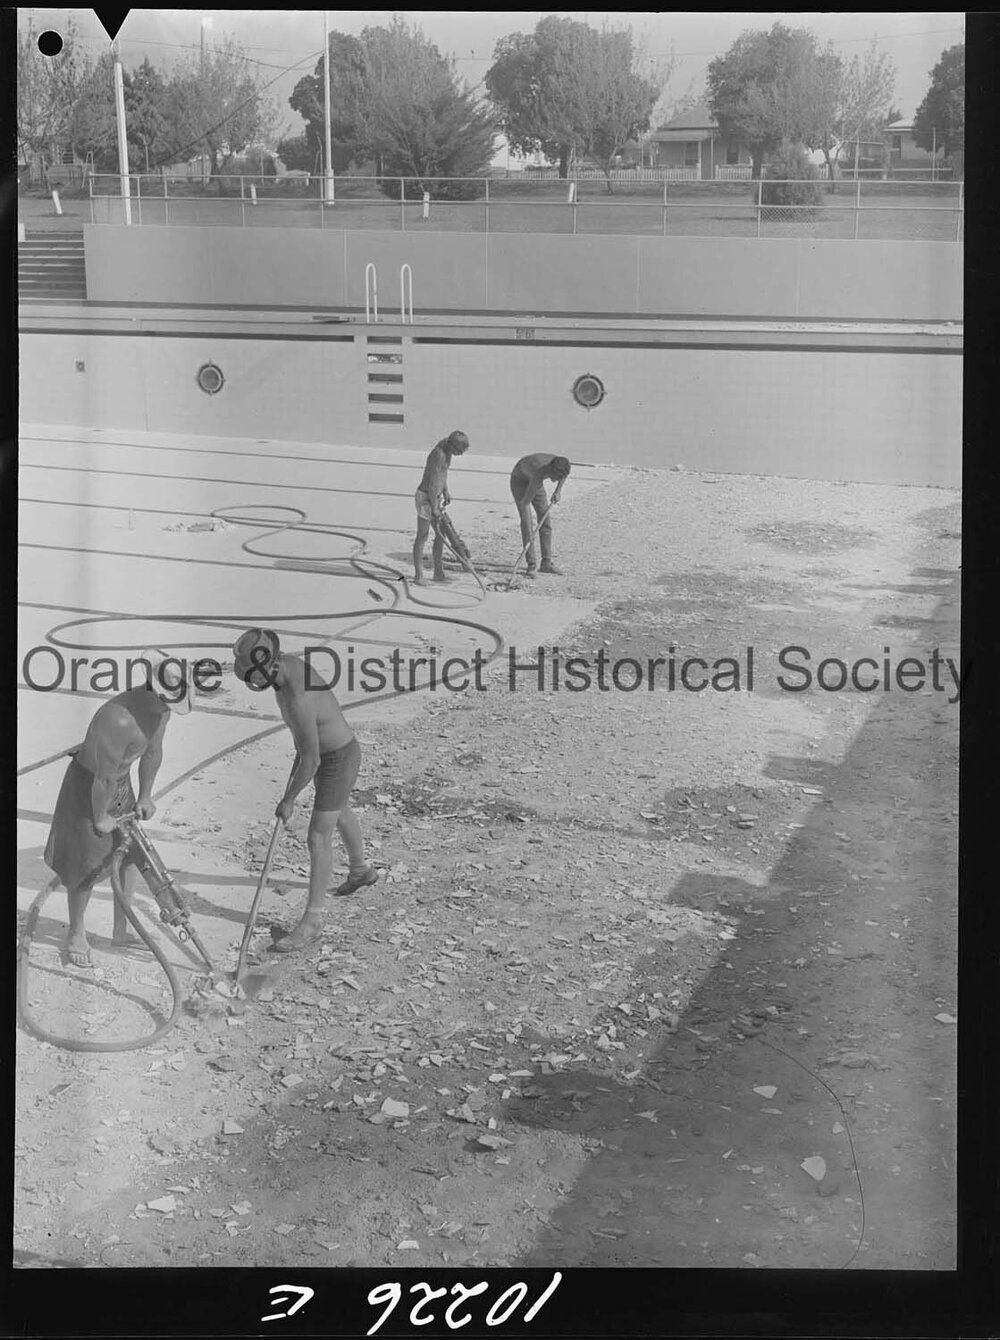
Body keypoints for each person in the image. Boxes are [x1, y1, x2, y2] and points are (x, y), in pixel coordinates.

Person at [43, 650, 193, 968]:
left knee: (130, 855)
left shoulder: (161, 712)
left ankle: (120, 930)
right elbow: (103, 778)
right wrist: (100, 817)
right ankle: (76, 933)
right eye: (166, 700)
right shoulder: (118, 718)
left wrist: (146, 795)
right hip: (89, 787)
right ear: (151, 688)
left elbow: (152, 752)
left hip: (120, 783)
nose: (169, 707)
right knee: (85, 864)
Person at [232, 628, 378, 953]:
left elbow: (311, 759)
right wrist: (301, 756)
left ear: (271, 665)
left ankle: (312, 922)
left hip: (337, 757)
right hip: (325, 751)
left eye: (254, 676)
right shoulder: (285, 669)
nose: (253, 682)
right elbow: (306, 744)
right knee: (338, 809)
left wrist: (288, 799)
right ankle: (361, 871)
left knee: (318, 837)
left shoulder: (298, 697)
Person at [413, 430, 470, 585]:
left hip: (435, 497)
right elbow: (432, 483)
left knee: (441, 535)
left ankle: (438, 572)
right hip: (426, 497)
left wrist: (445, 490)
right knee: (422, 536)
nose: (460, 455)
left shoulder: (447, 450)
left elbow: (443, 475)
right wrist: (434, 508)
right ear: (452, 445)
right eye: (459, 451)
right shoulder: (439, 455)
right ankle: (418, 575)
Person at [509, 453, 571, 577]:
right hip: (519, 481)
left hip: (534, 480)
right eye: (556, 477)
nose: (556, 480)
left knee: (545, 520)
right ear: (551, 470)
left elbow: (564, 475)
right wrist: (527, 525)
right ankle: (531, 565)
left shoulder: (562, 465)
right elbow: (525, 503)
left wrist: (558, 491)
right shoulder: (539, 472)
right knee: (527, 523)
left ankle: (546, 563)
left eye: (559, 477)